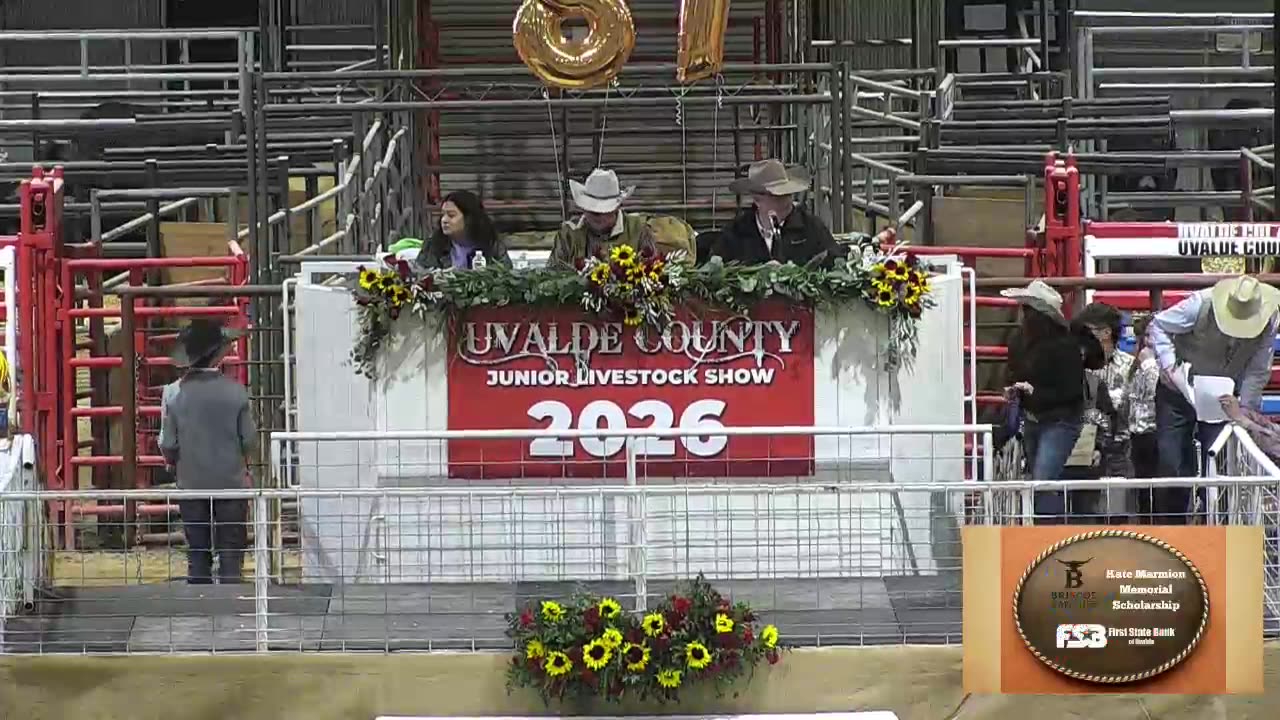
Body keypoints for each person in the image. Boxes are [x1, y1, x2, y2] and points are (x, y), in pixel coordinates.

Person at [1147, 275, 1280, 521]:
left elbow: (1258, 367)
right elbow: (1159, 325)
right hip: (1177, 391)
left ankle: (1217, 528)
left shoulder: (1270, 319)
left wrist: (1243, 410)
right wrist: (1170, 367)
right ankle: (1172, 530)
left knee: (1220, 466)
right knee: (1171, 464)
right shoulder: (1200, 304)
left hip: (1223, 397)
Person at [158, 319, 256, 584]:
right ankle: (230, 598)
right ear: (217, 354)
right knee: (231, 551)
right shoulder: (236, 392)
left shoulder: (173, 393)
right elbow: (249, 440)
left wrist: (173, 462)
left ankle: (200, 600)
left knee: (198, 550)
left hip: (191, 482)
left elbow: (168, 443)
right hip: (231, 482)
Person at [1001, 280, 1090, 485]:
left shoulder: (1065, 346)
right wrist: (1013, 388)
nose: (1024, 315)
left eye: (1028, 310)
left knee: (1042, 482)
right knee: (1040, 481)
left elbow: (1072, 391)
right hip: (1033, 418)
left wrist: (1034, 392)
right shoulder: (1019, 341)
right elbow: (1012, 373)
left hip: (1061, 420)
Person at [550, 168, 695, 267]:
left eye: (604, 211)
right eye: (592, 211)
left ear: (617, 207)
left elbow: (652, 272)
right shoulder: (568, 235)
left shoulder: (639, 230)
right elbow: (551, 277)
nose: (598, 216)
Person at [711, 159, 841, 266]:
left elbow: (835, 261)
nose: (786, 201)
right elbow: (716, 272)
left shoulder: (811, 228)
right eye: (778, 196)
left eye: (788, 194)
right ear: (757, 200)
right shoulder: (736, 233)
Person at [416, 190, 511, 270]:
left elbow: (506, 275)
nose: (444, 220)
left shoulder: (492, 245)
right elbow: (421, 274)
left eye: (451, 215)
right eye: (442, 215)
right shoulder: (433, 245)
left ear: (469, 218)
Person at [1127, 315, 1161, 518]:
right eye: (1146, 335)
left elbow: (1155, 390)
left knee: (1157, 488)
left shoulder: (1162, 363)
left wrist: (1148, 363)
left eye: (1153, 335)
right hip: (1136, 432)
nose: (1148, 341)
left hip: (1156, 431)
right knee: (1141, 488)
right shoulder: (1137, 362)